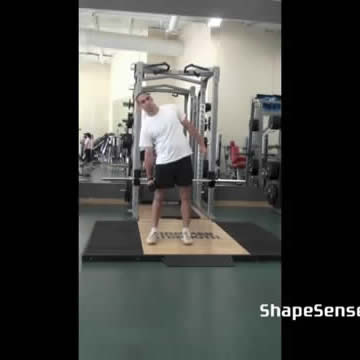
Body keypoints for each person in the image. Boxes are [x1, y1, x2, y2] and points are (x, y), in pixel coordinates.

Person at [137, 92, 207, 245]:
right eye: (143, 101)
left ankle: (186, 231)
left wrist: (201, 143)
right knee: (158, 198)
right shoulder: (146, 127)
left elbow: (190, 127)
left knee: (185, 197)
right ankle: (154, 230)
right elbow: (148, 154)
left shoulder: (172, 109)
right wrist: (149, 178)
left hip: (183, 158)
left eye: (148, 98)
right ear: (140, 106)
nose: (147, 102)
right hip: (163, 163)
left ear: (152, 98)